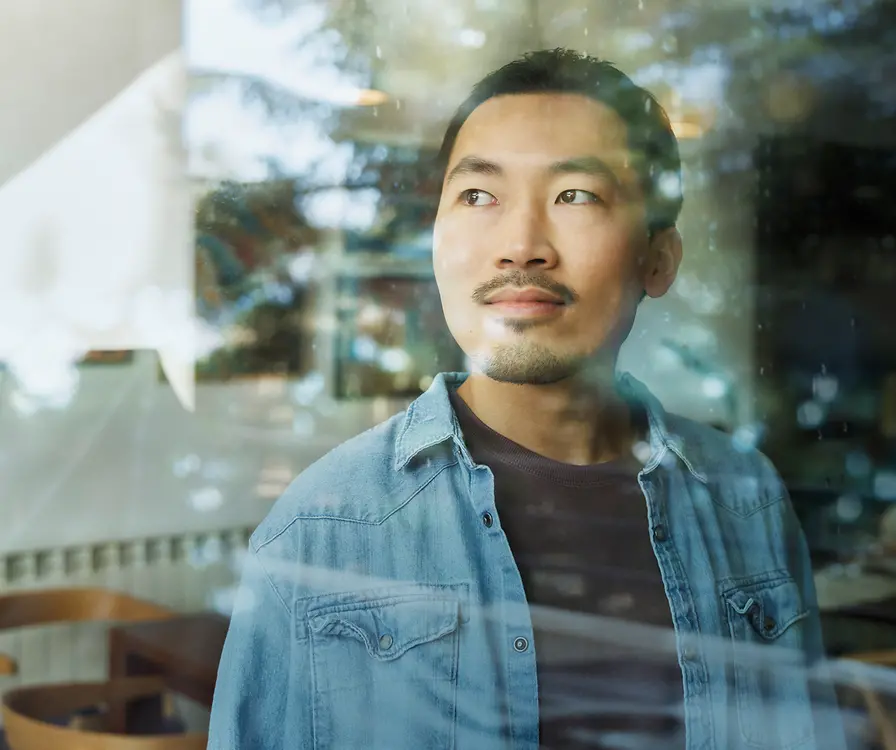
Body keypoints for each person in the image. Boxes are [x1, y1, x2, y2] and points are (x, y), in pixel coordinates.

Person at [207, 48, 847, 750]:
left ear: (658, 259)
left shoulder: (742, 495)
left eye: (576, 195)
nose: (519, 246)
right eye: (479, 195)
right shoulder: (325, 526)